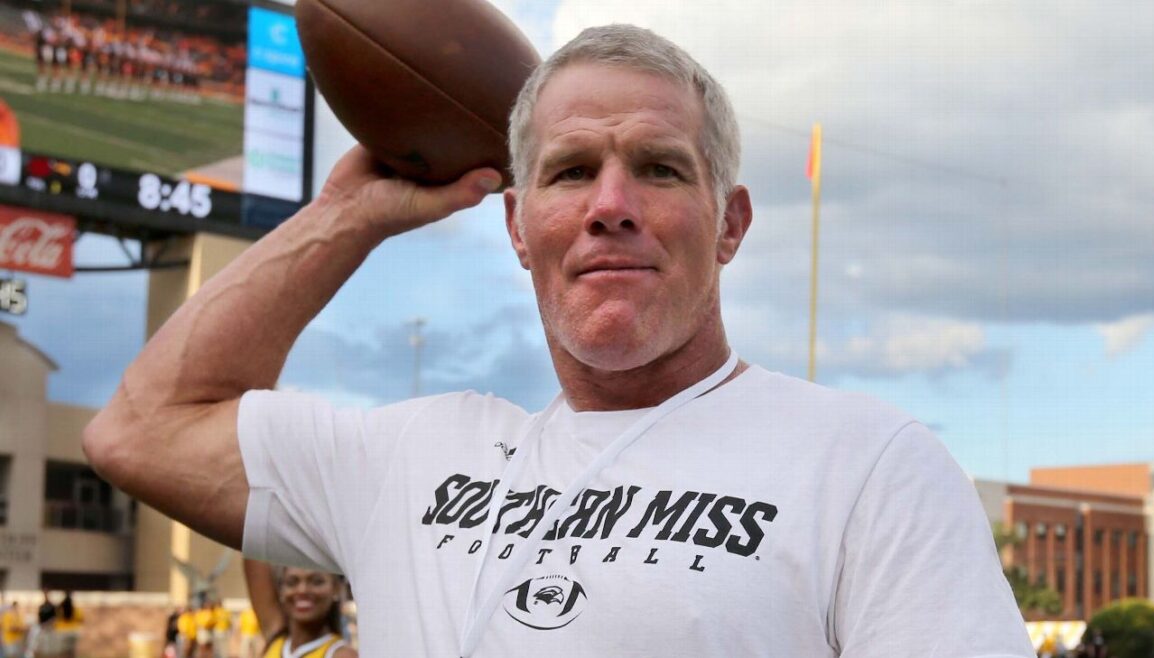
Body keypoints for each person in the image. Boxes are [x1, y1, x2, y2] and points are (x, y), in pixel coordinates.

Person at [83, 23, 1034, 657]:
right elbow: (141, 429)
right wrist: (346, 216)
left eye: (659, 169)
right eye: (571, 171)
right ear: (515, 225)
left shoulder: (867, 467)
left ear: (731, 223)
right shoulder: (409, 460)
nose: (610, 205)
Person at [242, 560, 354, 658]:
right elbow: (254, 550)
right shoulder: (276, 637)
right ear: (281, 590)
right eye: (292, 582)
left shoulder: (342, 654)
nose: (302, 590)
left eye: (316, 582)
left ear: (336, 588)